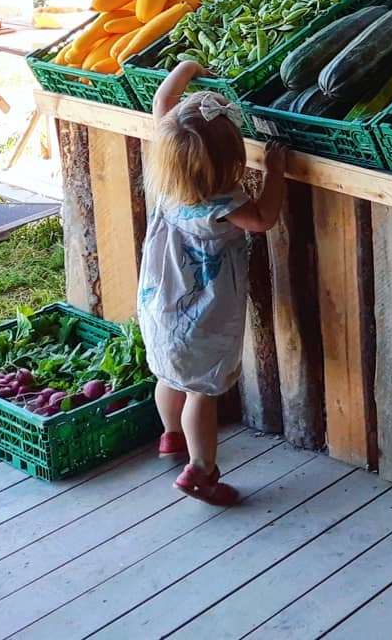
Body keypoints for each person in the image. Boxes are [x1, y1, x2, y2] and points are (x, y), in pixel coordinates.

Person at [138, 59, 286, 505]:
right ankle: (200, 468)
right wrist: (275, 170)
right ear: (230, 162)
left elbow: (163, 102)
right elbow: (263, 220)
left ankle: (169, 436)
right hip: (202, 320)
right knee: (201, 393)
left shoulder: (167, 177)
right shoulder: (223, 203)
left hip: (160, 308)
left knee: (169, 378)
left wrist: (184, 68)